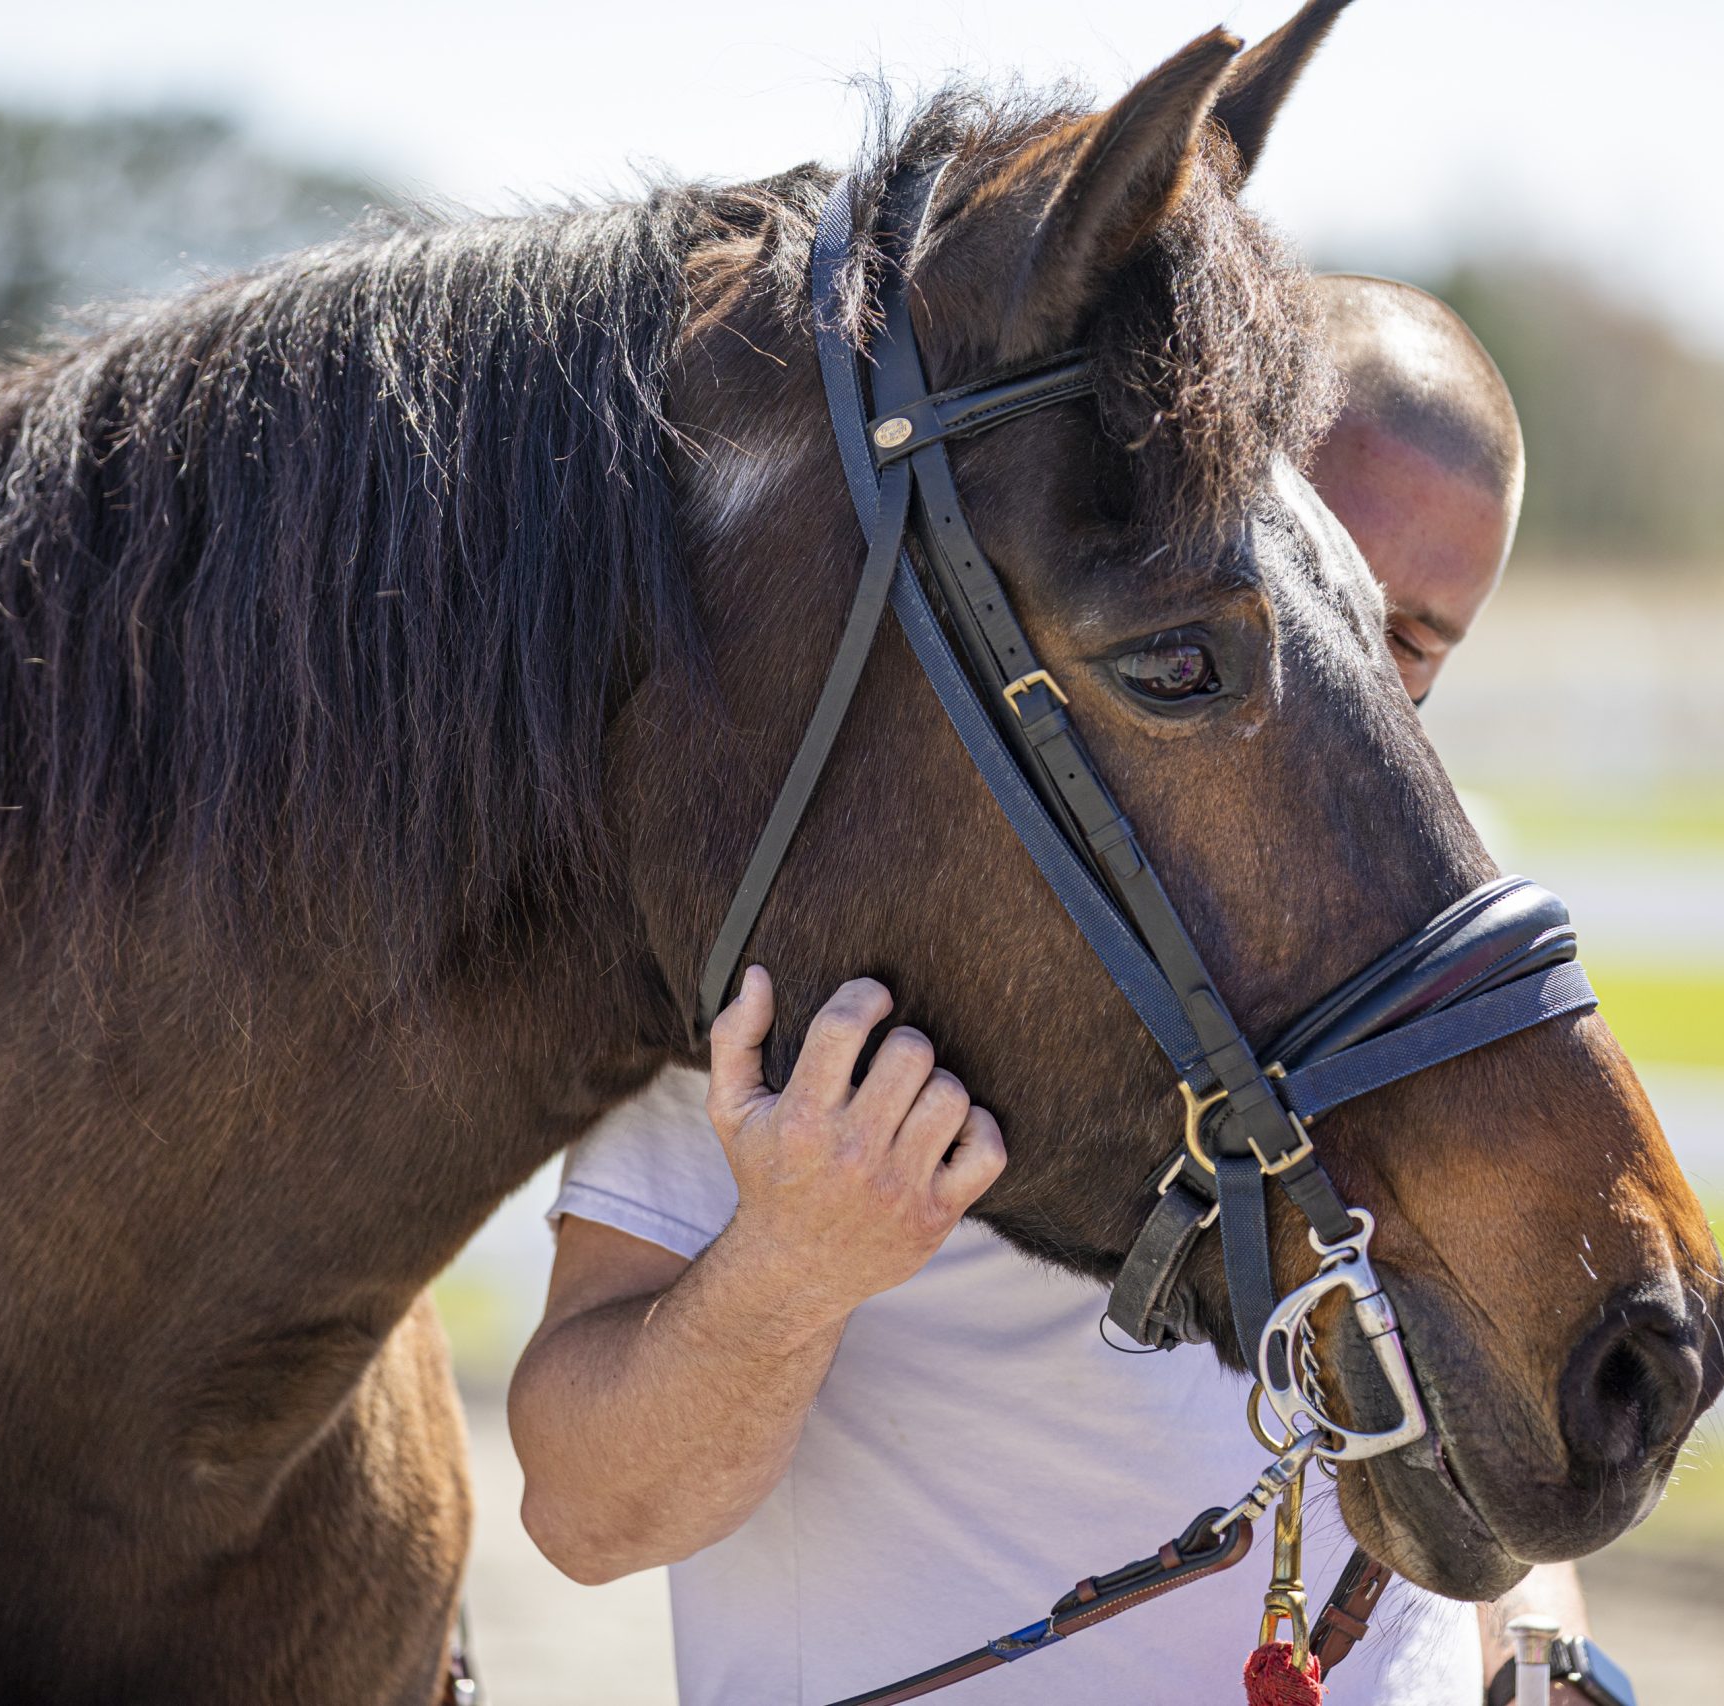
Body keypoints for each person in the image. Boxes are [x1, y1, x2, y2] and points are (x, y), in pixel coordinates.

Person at [508, 275, 1596, 1705]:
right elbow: (584, 1515)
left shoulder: (1439, 901)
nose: (1353, 690)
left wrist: (1546, 1646)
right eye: (1319, 585)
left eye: (1411, 642)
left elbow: (1491, 1363)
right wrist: (793, 1265)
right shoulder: (822, 907)